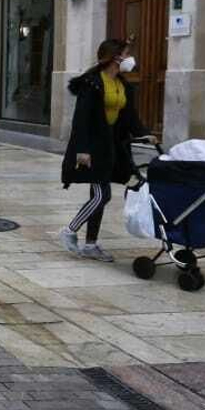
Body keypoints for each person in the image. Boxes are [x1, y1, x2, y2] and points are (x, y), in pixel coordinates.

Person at [59, 38, 149, 262]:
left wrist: (144, 134)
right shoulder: (92, 83)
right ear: (115, 57)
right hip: (93, 146)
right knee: (102, 194)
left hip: (111, 146)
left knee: (98, 194)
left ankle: (90, 244)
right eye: (126, 53)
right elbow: (81, 119)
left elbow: (129, 116)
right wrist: (82, 149)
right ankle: (70, 231)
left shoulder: (121, 84)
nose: (130, 58)